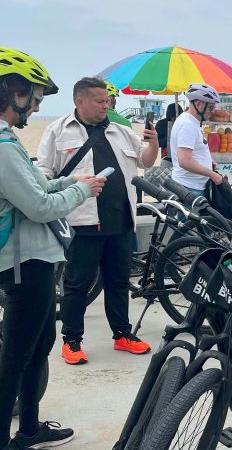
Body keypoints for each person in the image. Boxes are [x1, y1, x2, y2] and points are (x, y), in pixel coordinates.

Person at [0, 48, 105, 450]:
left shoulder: (9, 141)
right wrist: (82, 191)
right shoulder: (2, 145)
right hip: (24, 264)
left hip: (34, 260)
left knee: (39, 345)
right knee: (17, 353)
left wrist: (69, 181)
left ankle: (29, 428)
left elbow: (37, 189)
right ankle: (4, 445)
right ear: (12, 92)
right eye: (34, 98)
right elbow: (40, 207)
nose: (36, 107)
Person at [38, 76, 159, 364]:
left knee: (118, 282)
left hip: (121, 221)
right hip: (82, 223)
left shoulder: (121, 131)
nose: (106, 105)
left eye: (108, 101)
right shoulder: (57, 131)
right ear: (79, 101)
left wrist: (154, 144)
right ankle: (71, 340)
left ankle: (122, 334)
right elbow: (43, 174)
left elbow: (145, 161)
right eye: (100, 101)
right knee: (77, 284)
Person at [170, 84, 232, 219]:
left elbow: (193, 151)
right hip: (189, 188)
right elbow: (184, 161)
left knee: (196, 228)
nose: (212, 111)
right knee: (190, 229)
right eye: (210, 107)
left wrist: (209, 161)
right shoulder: (187, 124)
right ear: (199, 104)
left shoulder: (191, 121)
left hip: (192, 186)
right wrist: (212, 174)